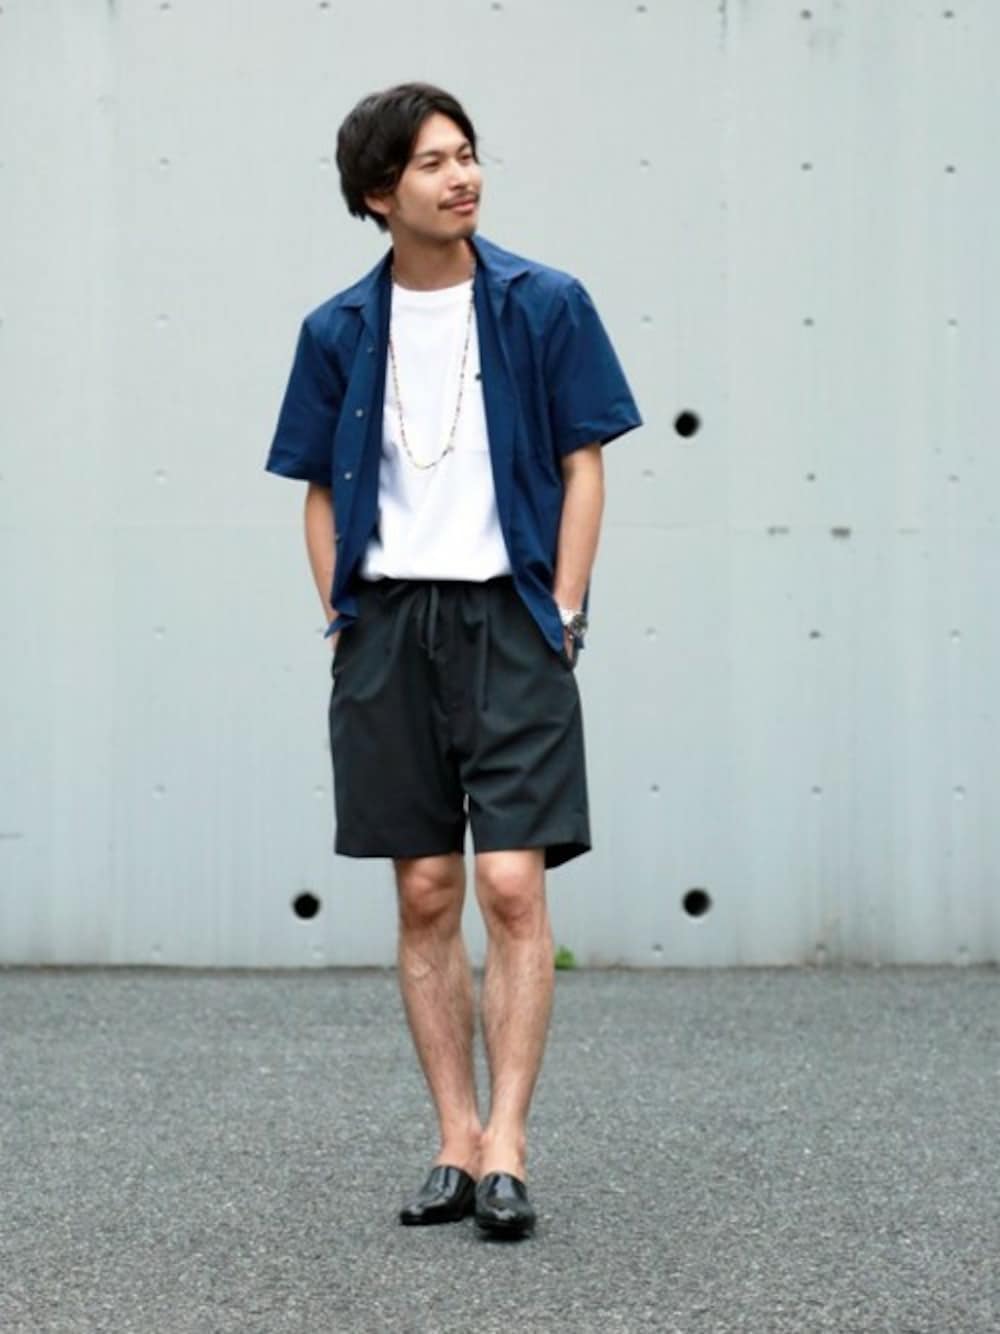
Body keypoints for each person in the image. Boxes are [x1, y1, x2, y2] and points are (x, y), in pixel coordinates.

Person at [266, 82, 642, 1239]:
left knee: (511, 883)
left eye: (468, 154)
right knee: (425, 887)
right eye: (432, 163)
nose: (462, 176)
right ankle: (454, 1137)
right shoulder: (337, 329)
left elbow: (584, 461)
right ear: (379, 194)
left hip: (510, 620)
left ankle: (510, 1144)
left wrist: (562, 608)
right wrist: (342, 619)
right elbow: (317, 488)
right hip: (389, 628)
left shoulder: (544, 303)